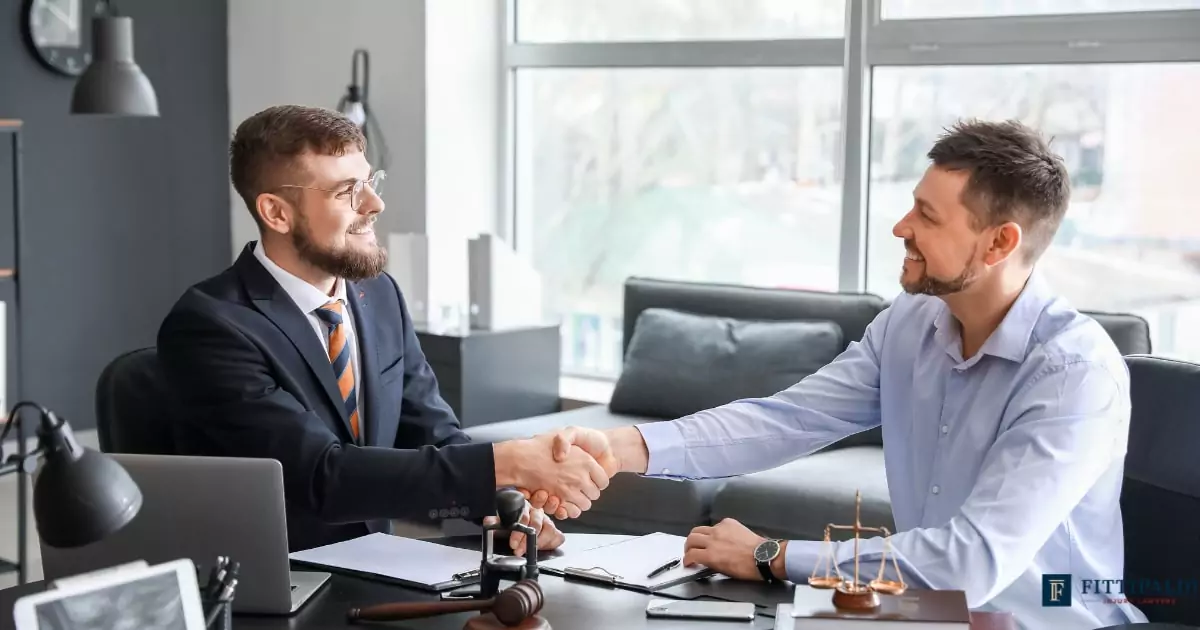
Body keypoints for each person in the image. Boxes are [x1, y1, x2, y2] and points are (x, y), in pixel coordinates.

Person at [537, 120, 1149, 629]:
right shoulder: (910, 324)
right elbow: (787, 419)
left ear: (998, 244)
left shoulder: (1073, 375)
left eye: (927, 217)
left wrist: (774, 556)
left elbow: (971, 561)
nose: (901, 227)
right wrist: (621, 448)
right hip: (930, 615)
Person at [157, 105, 608, 554]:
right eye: (347, 192)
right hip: (284, 587)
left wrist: (497, 506)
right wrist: (505, 461)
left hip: (382, 567)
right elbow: (323, 477)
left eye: (370, 182)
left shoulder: (378, 295)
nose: (374, 205)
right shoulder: (210, 326)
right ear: (276, 213)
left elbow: (429, 432)